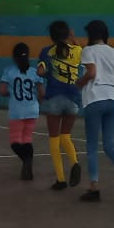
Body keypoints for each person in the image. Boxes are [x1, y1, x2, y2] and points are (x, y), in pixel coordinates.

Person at [77, 20, 114, 202]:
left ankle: (94, 187)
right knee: (109, 144)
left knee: (92, 146)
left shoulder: (88, 50)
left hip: (94, 99)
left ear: (90, 34)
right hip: (112, 100)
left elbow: (91, 73)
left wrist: (79, 83)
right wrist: (111, 84)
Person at [36, 20, 84, 190]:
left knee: (54, 139)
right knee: (66, 136)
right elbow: (81, 52)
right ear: (67, 34)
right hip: (73, 99)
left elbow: (40, 71)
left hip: (54, 99)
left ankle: (61, 179)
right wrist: (74, 39)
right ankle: (75, 163)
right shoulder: (78, 50)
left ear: (52, 36)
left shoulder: (47, 51)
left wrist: (47, 72)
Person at [0, 42, 43, 181]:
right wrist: (38, 102)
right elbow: (42, 93)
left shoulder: (8, 71)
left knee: (15, 142)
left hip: (16, 110)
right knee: (27, 139)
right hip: (32, 109)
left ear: (14, 57)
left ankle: (26, 160)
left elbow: (2, 90)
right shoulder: (35, 72)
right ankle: (28, 163)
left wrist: (11, 93)